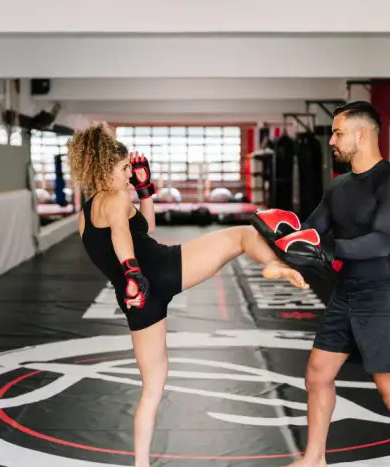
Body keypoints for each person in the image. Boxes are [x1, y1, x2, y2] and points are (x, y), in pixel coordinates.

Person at [68, 122, 314, 467]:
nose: (128, 176)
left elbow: (144, 228)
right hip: (159, 271)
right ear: (105, 169)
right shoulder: (116, 199)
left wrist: (146, 190)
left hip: (137, 299)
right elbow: (122, 236)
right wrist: (132, 269)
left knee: (152, 387)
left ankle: (140, 463)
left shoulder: (86, 213)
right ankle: (276, 265)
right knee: (242, 235)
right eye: (124, 169)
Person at [287, 101, 390, 467]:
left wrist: (328, 251)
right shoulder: (338, 187)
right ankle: (314, 458)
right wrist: (281, 233)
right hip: (346, 294)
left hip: (385, 296)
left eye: (337, 132)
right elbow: (312, 229)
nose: (332, 140)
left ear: (361, 134)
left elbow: (382, 241)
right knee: (318, 375)